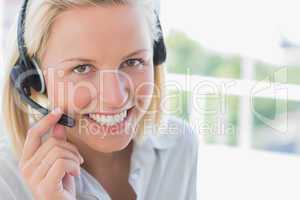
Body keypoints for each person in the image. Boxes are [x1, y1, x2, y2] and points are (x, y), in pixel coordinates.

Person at [0, 0, 199, 199]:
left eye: (133, 61)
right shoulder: (6, 181)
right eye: (82, 68)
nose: (116, 98)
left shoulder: (179, 147)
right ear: (35, 78)